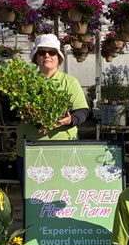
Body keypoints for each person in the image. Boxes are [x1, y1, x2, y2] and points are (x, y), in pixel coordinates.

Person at [15, 33, 89, 180]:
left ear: (58, 57)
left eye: (52, 52)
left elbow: (82, 111)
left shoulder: (69, 82)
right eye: (42, 52)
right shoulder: (24, 82)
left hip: (63, 148)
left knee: (62, 189)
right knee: (32, 191)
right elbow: (12, 113)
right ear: (36, 57)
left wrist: (70, 120)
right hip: (29, 148)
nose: (47, 55)